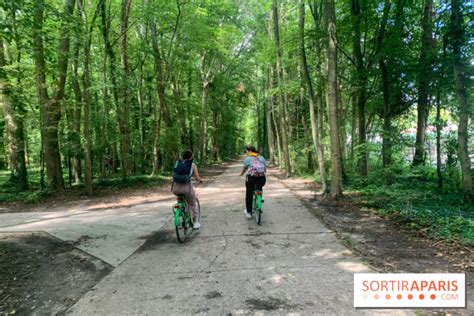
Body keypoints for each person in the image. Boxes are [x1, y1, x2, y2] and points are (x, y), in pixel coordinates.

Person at [172, 150, 203, 229]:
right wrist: (200, 180)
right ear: (191, 157)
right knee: (192, 204)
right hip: (187, 189)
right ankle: (195, 222)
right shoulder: (192, 165)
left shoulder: (177, 163)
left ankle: (179, 219)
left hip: (176, 189)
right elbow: (197, 178)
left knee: (180, 203)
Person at [240, 145, 267, 218]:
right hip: (262, 179)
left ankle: (249, 212)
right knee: (259, 186)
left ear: (249, 151)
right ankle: (260, 197)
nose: (246, 153)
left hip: (251, 179)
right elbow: (265, 169)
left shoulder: (247, 159)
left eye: (246, 151)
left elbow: (244, 169)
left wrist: (241, 174)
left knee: (249, 194)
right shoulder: (261, 157)